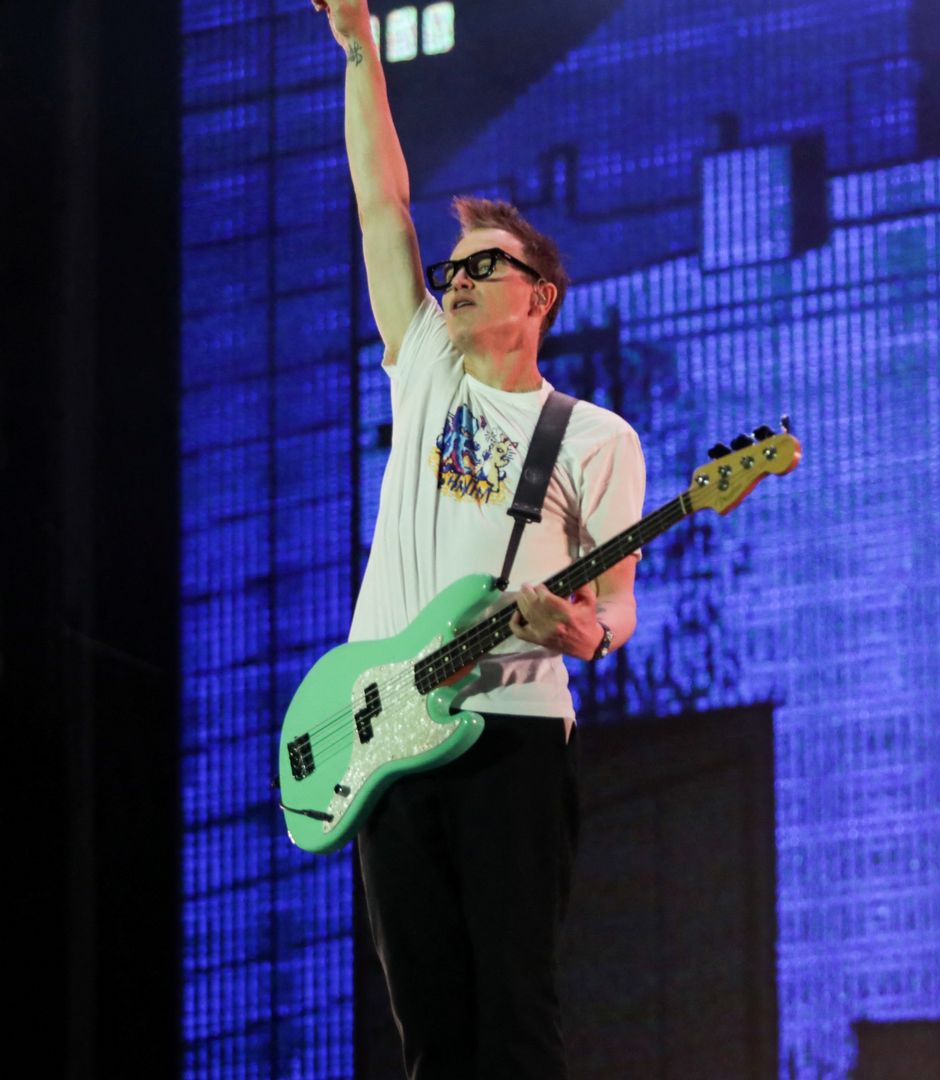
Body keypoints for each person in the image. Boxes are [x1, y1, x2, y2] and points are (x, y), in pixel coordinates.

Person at [315, 1, 647, 1074]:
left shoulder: (593, 436)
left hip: (509, 732)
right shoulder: (424, 366)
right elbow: (380, 202)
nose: (453, 279)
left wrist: (578, 632)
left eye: (480, 268)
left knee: (515, 1016)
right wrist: (359, 44)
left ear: (539, 297)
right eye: (452, 268)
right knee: (431, 1033)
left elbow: (617, 612)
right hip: (387, 728)